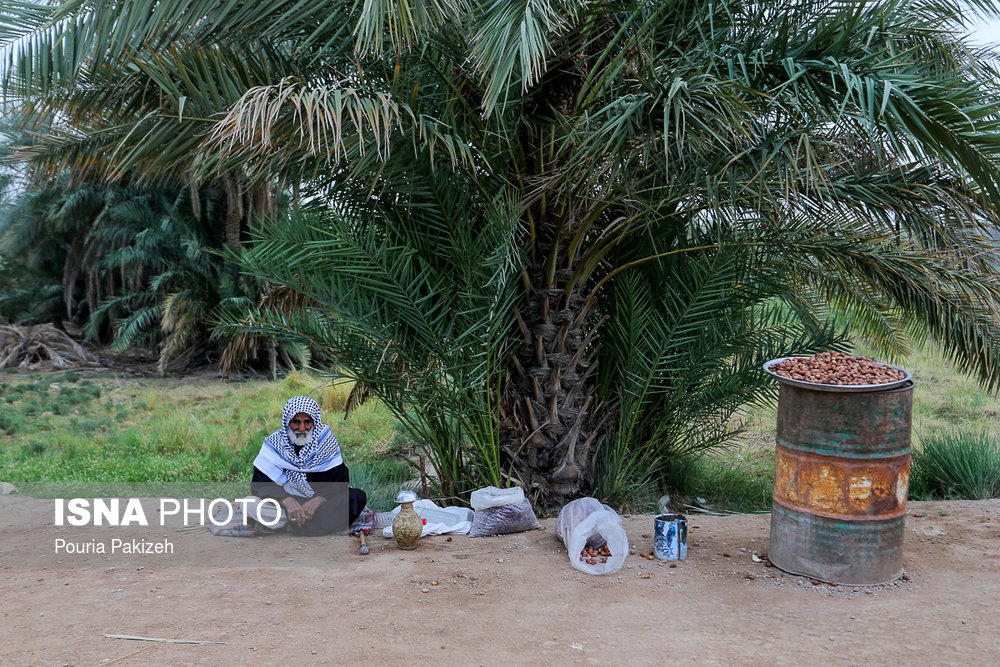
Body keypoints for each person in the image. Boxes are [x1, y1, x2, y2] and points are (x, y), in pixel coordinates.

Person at [251, 395, 367, 536]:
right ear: (287, 422)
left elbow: (340, 481)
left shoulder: (325, 442)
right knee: (250, 504)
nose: (301, 428)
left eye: (307, 422)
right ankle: (304, 523)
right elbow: (260, 484)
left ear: (315, 422)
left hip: (320, 506)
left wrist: (319, 499)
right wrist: (286, 501)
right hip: (284, 507)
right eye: (295, 422)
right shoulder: (275, 444)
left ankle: (291, 525)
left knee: (357, 497)